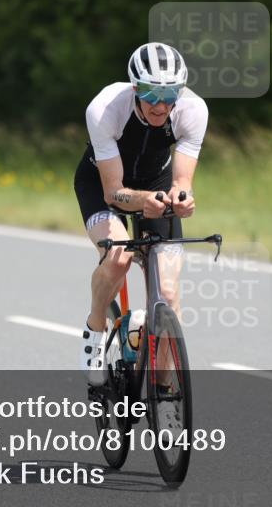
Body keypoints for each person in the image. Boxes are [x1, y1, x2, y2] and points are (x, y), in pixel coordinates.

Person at [74, 42, 208, 385]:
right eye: (150, 94)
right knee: (118, 257)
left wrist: (183, 198)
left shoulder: (193, 109)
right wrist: (144, 199)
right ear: (135, 89)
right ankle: (95, 328)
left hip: (156, 184)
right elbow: (113, 191)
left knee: (168, 291)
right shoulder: (105, 108)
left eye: (169, 94)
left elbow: (181, 181)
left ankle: (162, 389)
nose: (161, 105)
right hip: (105, 185)